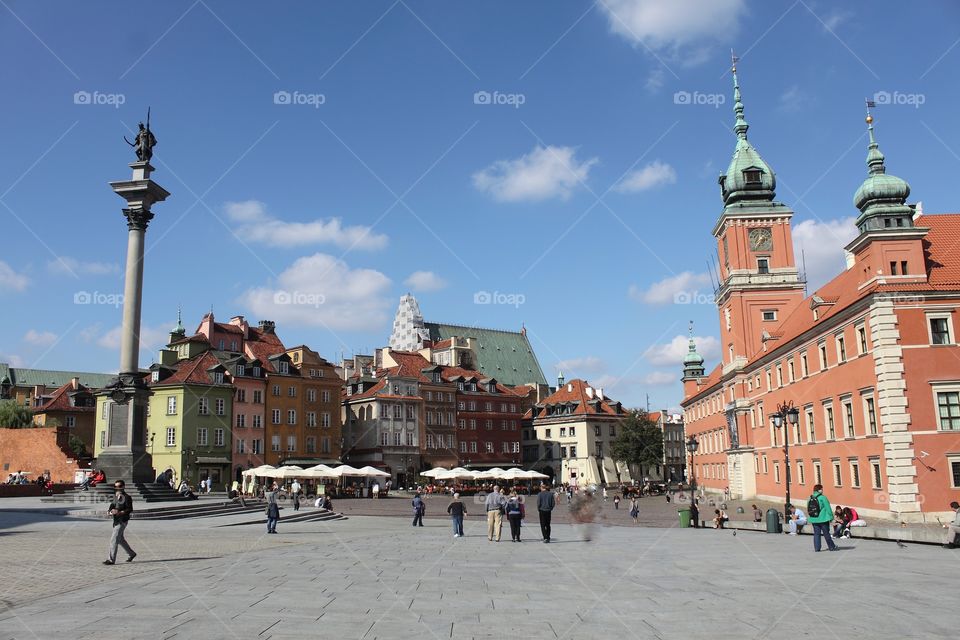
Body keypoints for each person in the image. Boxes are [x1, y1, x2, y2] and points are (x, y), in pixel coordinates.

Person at [104, 480, 136, 565]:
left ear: (123, 486)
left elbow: (129, 509)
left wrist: (120, 512)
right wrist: (109, 511)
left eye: (119, 486)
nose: (117, 488)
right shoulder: (115, 496)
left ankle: (111, 560)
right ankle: (132, 554)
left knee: (113, 540)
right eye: (116, 486)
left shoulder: (127, 497)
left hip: (122, 521)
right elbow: (112, 506)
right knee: (121, 540)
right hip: (116, 520)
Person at [808, 484, 839, 552]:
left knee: (816, 534)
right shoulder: (823, 497)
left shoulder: (810, 498)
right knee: (826, 533)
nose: (822, 490)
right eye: (822, 489)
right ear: (819, 490)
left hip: (814, 519)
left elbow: (808, 508)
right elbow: (828, 508)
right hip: (823, 519)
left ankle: (817, 548)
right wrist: (831, 517)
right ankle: (831, 547)